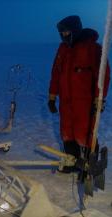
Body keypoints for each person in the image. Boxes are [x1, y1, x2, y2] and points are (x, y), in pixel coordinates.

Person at [48, 15, 110, 173]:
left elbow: (103, 75)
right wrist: (52, 96)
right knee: (67, 132)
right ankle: (72, 162)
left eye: (66, 32)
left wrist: (99, 99)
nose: (63, 36)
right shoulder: (63, 49)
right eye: (61, 33)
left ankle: (91, 167)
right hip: (66, 100)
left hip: (85, 101)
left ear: (75, 30)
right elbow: (56, 72)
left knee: (86, 133)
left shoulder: (93, 49)